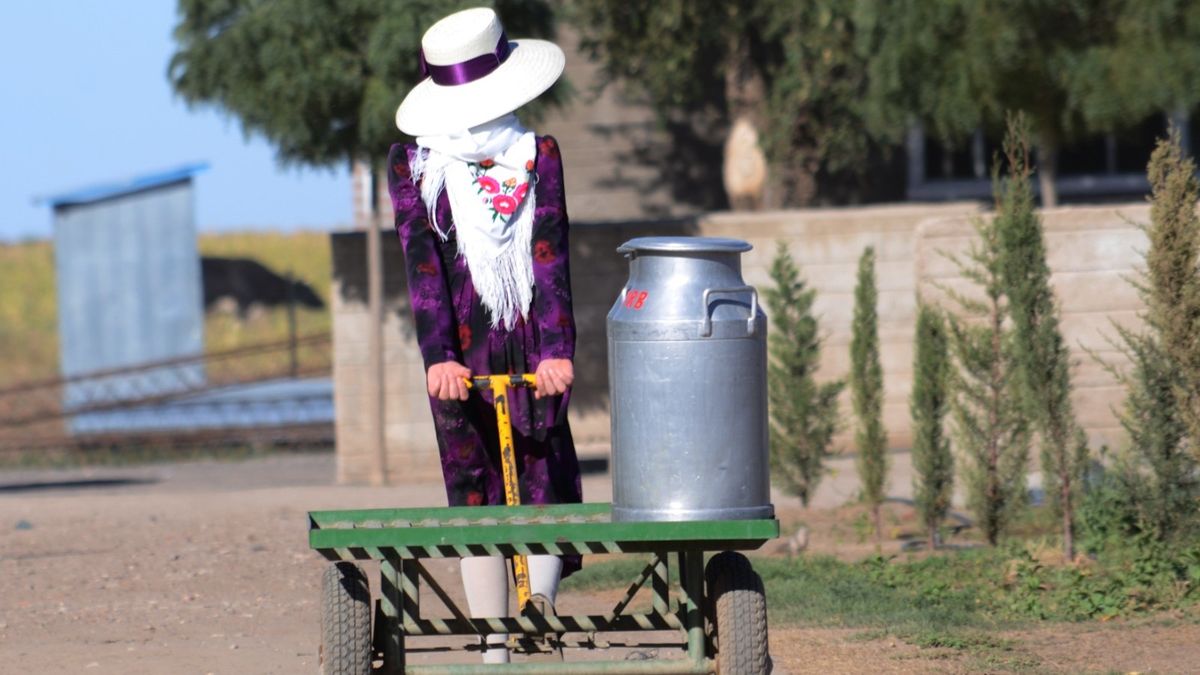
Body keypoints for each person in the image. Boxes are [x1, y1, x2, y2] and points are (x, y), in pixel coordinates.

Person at [387, 7, 581, 664]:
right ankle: (491, 640)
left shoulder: (536, 153)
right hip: (462, 341)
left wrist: (557, 349)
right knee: (472, 481)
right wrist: (439, 355)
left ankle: (539, 612)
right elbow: (422, 267)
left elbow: (551, 254)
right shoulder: (414, 165)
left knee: (541, 468)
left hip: (527, 329)